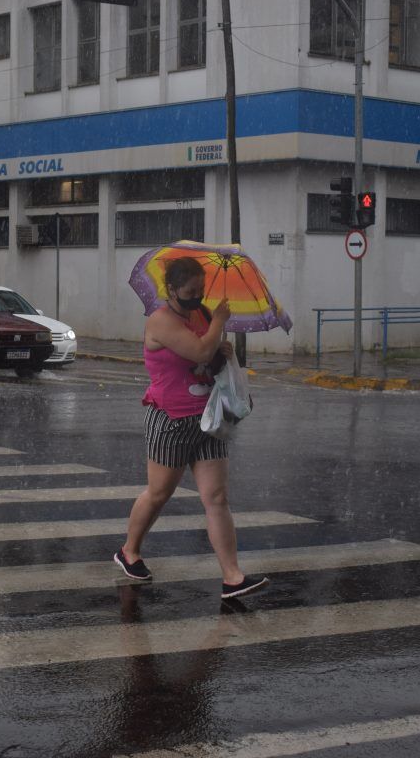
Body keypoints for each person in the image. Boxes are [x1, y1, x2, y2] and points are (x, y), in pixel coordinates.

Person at [114, 256, 269, 600]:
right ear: (171, 290)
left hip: (208, 419)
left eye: (201, 290)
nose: (197, 297)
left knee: (216, 497)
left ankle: (232, 577)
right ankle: (129, 551)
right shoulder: (160, 321)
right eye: (190, 291)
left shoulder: (201, 314)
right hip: (170, 418)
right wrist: (219, 325)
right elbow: (199, 348)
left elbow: (209, 355)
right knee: (159, 493)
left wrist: (222, 348)